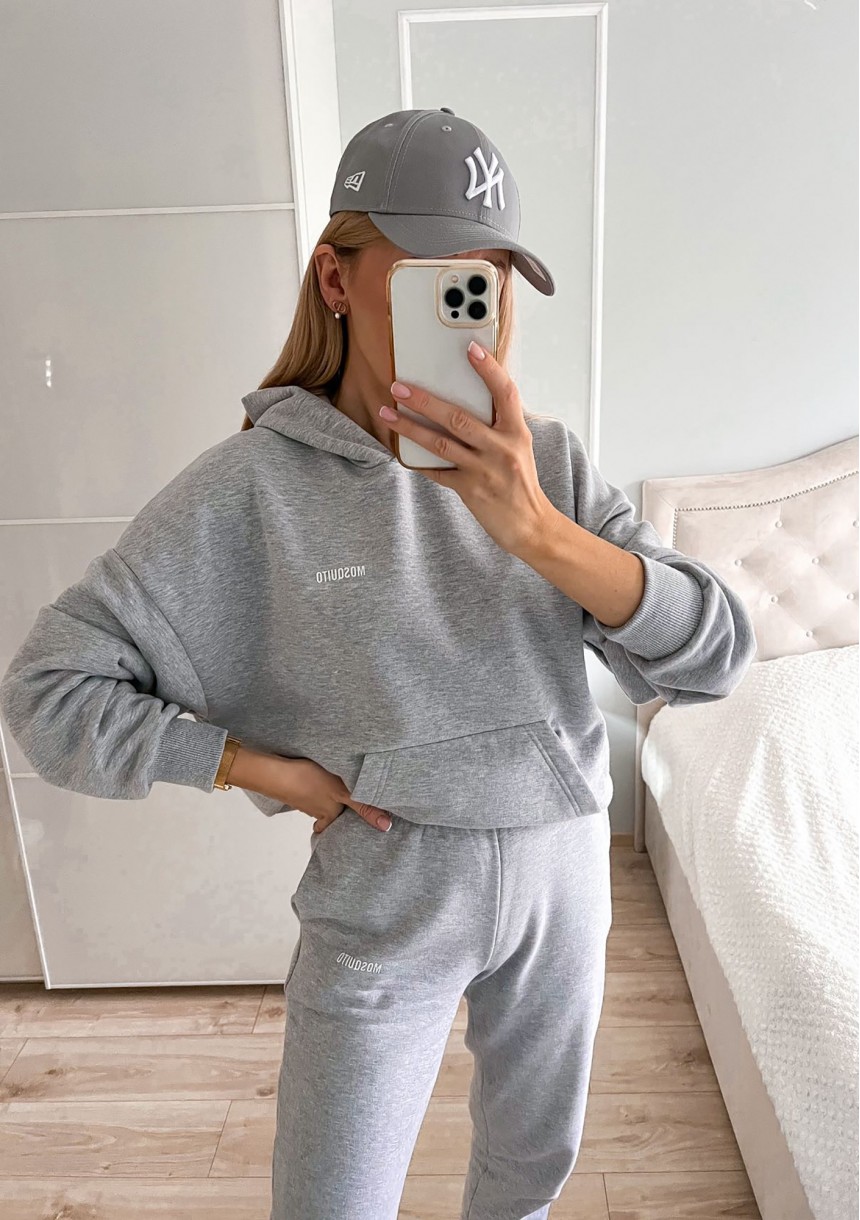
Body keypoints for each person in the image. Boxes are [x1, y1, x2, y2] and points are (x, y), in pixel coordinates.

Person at [0, 107, 757, 1220]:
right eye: (431, 280)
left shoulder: (543, 463)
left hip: (561, 875)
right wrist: (250, 766)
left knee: (527, 1176)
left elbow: (716, 653)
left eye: (486, 281)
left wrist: (535, 528)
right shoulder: (247, 491)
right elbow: (48, 690)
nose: (470, 315)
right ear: (338, 280)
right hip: (387, 895)